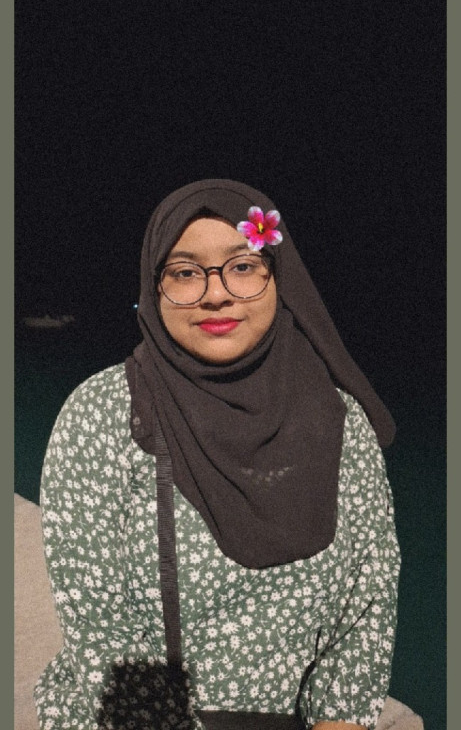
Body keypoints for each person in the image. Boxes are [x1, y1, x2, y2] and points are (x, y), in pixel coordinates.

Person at [34, 179, 400, 730]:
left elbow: (369, 593)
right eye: (185, 273)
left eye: (243, 267)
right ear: (154, 288)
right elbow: (99, 626)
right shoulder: (103, 413)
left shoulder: (341, 421)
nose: (215, 294)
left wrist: (338, 719)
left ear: (280, 277)